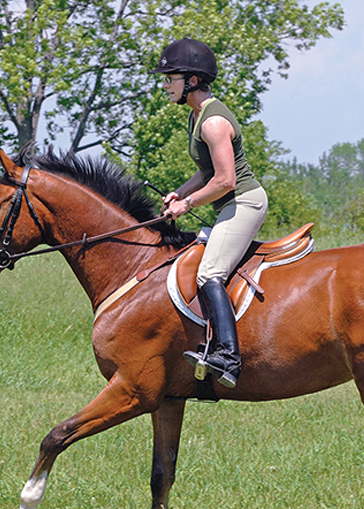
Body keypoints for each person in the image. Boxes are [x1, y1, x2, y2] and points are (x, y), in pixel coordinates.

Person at [152, 38, 268, 389]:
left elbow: (225, 180)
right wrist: (181, 191)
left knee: (209, 273)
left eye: (170, 78)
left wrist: (186, 205)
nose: (165, 84)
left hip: (244, 202)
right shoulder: (196, 116)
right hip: (231, 202)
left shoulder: (213, 122)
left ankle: (229, 358)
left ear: (191, 80)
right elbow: (206, 172)